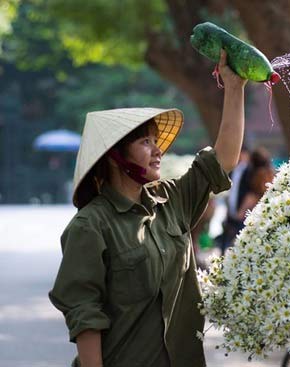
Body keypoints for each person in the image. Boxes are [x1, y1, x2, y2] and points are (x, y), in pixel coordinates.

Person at [48, 50, 246, 367]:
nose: (157, 151)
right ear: (115, 156)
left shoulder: (172, 200)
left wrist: (235, 88)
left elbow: (223, 160)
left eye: (156, 141)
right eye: (145, 143)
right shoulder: (90, 226)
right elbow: (85, 316)